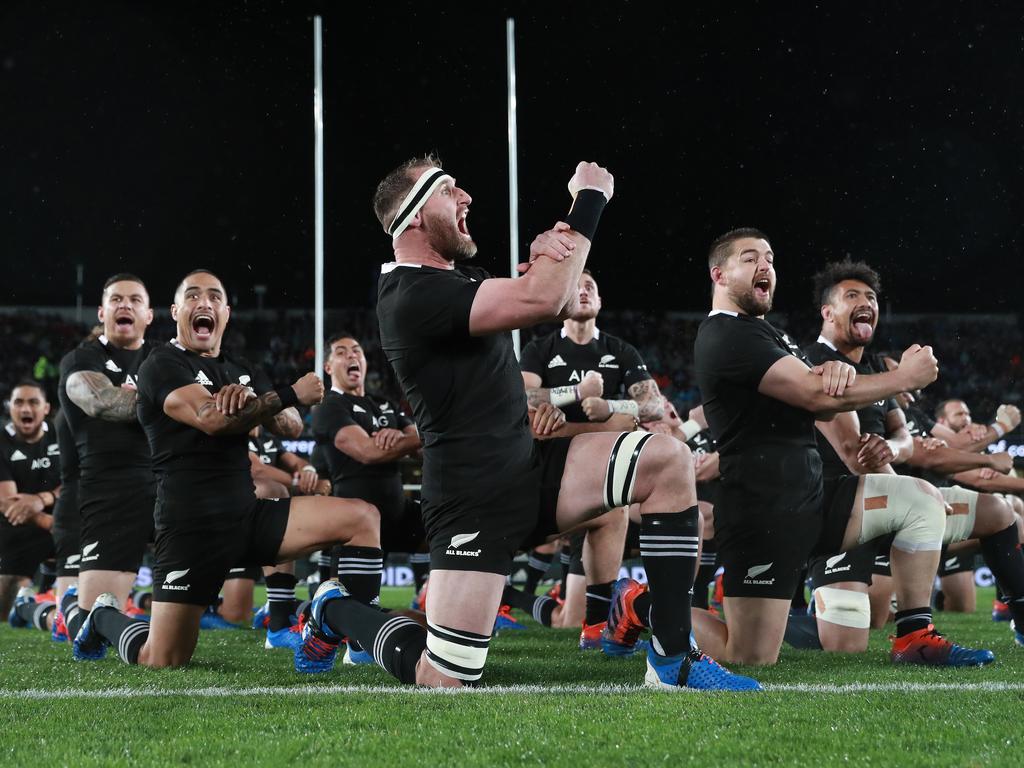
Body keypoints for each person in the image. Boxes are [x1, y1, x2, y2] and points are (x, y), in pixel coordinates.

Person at [294, 155, 759, 691]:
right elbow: (543, 297)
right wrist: (587, 201)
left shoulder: (455, 278)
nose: (467, 198)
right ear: (414, 216)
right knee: (446, 676)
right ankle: (335, 609)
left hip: (529, 465)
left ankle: (673, 657)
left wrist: (547, 258)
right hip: (473, 495)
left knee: (666, 459)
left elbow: (540, 297)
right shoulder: (408, 294)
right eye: (450, 190)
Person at [687, 229, 991, 667]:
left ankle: (915, 635)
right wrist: (903, 378)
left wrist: (836, 377)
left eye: (770, 258)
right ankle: (645, 606)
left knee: (920, 499)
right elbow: (816, 398)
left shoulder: (772, 335)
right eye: (749, 258)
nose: (765, 266)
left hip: (816, 495)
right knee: (749, 656)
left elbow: (823, 404)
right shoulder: (726, 334)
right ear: (719, 274)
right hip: (763, 511)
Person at [69, 269, 382, 668]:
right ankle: (103, 617)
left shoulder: (241, 367)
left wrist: (257, 399)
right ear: (176, 310)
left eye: (215, 297)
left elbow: (291, 425)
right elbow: (211, 419)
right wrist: (285, 394)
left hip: (246, 515)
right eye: (194, 296)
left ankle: (359, 641)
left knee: (362, 517)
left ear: (227, 312)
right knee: (162, 658)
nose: (205, 303)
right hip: (190, 528)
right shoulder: (160, 364)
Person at [793, 260, 1024, 652]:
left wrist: (897, 449)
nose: (866, 301)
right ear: (827, 312)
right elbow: (855, 456)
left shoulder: (873, 368)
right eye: (852, 296)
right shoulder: (815, 362)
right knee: (846, 642)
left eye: (871, 297)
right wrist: (919, 490)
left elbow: (903, 436)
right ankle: (784, 612)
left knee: (999, 512)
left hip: (888, 501)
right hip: (839, 515)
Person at [514, 269, 660, 645]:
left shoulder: (620, 350)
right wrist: (575, 392)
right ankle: (506, 595)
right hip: (547, 472)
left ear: (600, 301)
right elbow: (520, 400)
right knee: (565, 618)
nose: (582, 291)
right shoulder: (539, 349)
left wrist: (608, 403)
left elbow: (654, 405)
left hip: (599, 477)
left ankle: (615, 619)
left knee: (574, 619)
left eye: (590, 287)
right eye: (575, 286)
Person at [57, 274, 156, 643]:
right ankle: (71, 606)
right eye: (116, 299)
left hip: (170, 485)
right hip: (111, 492)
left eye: (134, 300)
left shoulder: (164, 358)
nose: (125, 305)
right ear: (102, 312)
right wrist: (168, 400)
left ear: (149, 314)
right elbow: (102, 401)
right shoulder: (82, 359)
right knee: (87, 628)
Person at [1, 381, 60, 626]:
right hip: (17, 526)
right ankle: (25, 603)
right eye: (19, 402)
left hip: (62, 518)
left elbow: (78, 481)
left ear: (46, 408)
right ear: (9, 407)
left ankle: (50, 589)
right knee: (3, 613)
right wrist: (50, 522)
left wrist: (43, 499)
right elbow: (7, 502)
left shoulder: (62, 434)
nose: (26, 408)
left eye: (33, 402)